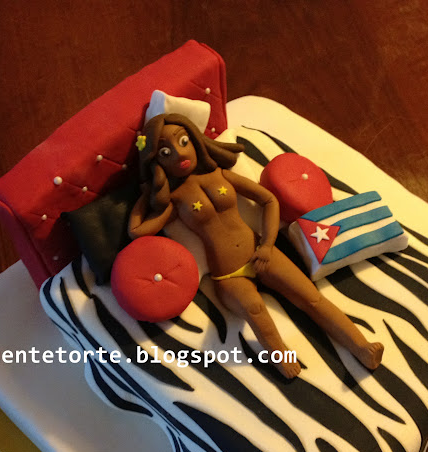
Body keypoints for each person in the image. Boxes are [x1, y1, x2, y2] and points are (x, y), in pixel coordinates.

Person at [128, 113, 383, 378]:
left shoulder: (221, 175)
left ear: (194, 140)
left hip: (260, 252)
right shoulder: (174, 200)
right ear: (157, 162)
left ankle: (362, 347)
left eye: (183, 141)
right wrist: (148, 190)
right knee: (255, 309)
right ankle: (280, 357)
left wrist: (267, 244)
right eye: (165, 152)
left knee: (311, 297)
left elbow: (269, 200)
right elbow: (136, 231)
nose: (179, 154)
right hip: (229, 276)